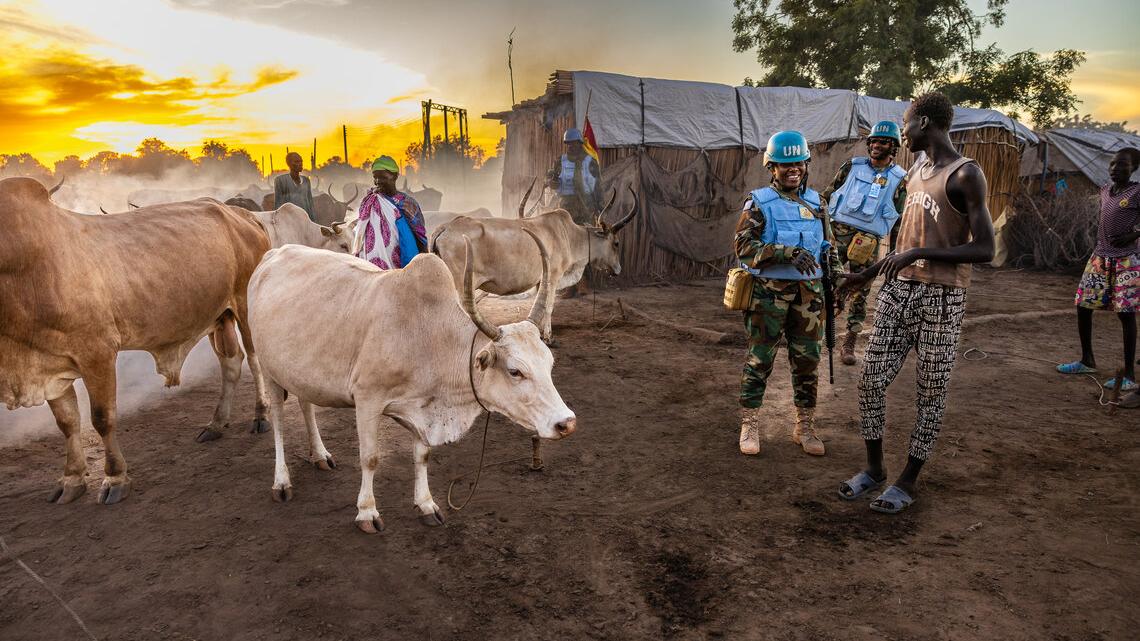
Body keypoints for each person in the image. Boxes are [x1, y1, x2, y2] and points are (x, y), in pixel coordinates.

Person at [835, 92, 995, 514]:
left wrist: (920, 255)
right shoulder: (916, 170)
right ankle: (874, 470)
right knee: (871, 380)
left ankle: (907, 480)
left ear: (924, 122)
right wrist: (865, 276)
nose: (901, 132)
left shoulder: (965, 175)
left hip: (942, 298)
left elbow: (985, 248)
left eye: (905, 122)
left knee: (931, 392)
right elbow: (904, 244)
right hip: (898, 290)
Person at [735, 130, 842, 457]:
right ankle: (750, 424)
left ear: (806, 164)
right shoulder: (759, 202)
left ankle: (804, 426)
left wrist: (837, 283)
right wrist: (785, 252)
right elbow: (743, 247)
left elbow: (829, 246)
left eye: (798, 164)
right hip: (768, 296)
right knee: (760, 359)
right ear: (772, 167)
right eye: (785, 164)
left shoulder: (818, 203)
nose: (793, 169)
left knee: (807, 361)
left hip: (810, 296)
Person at [821, 120, 908, 366]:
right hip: (837, 235)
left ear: (893, 147)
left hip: (867, 243)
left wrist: (894, 255)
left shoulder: (899, 179)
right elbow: (827, 196)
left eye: (883, 142)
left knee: (861, 292)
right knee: (825, 282)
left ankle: (849, 342)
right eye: (874, 141)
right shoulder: (851, 167)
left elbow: (899, 219)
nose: (877, 145)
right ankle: (819, 333)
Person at [1056, 147, 1140, 392]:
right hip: (1100, 257)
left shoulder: (1137, 191)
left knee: (1125, 314)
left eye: (1122, 164)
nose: (1115, 168)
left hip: (1127, 260)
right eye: (1113, 164)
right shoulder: (1105, 190)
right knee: (1083, 306)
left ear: (1134, 168)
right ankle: (1087, 361)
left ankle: (1129, 375)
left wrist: (1133, 235)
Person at [546, 127, 602, 297]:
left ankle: (585, 284)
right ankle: (570, 286)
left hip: (586, 208)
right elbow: (552, 180)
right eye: (568, 143)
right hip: (566, 209)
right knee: (567, 246)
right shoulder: (560, 161)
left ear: (580, 143)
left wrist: (600, 207)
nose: (571, 146)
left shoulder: (590, 162)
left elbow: (598, 186)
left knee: (585, 245)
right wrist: (552, 181)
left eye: (574, 143)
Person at [353, 155, 427, 270]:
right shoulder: (369, 201)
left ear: (395, 176)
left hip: (401, 263)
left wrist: (424, 260)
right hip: (371, 265)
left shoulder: (408, 203)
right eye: (375, 177)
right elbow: (360, 232)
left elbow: (420, 235)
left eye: (382, 177)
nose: (377, 181)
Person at [273, 151, 315, 220]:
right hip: (289, 220)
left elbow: (310, 204)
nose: (300, 164)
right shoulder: (280, 180)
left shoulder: (306, 181)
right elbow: (278, 204)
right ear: (289, 164)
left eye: (301, 161)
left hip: (305, 220)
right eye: (296, 162)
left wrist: (313, 221)